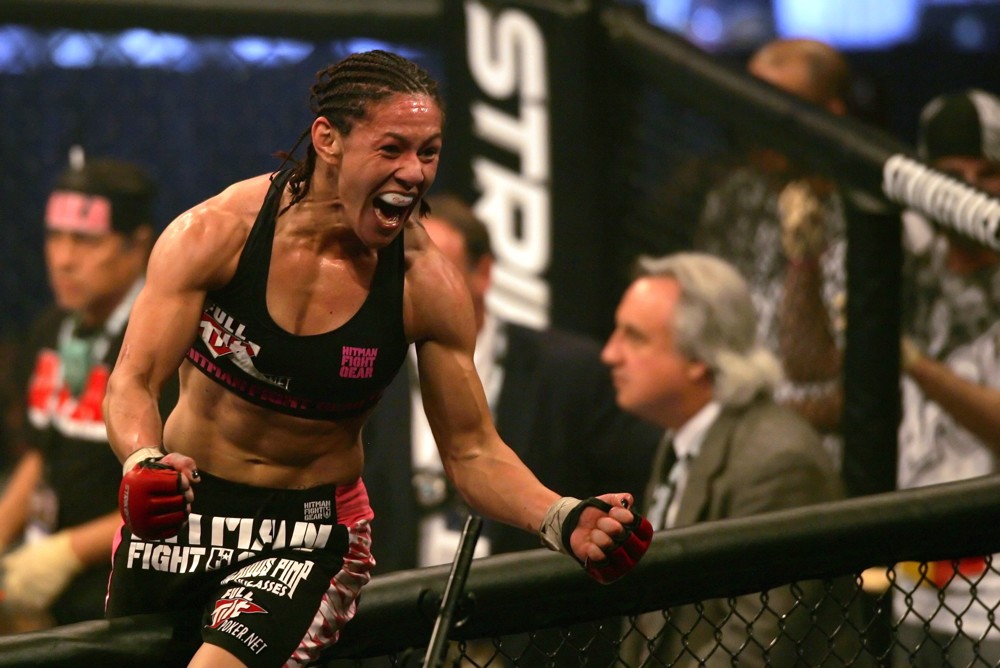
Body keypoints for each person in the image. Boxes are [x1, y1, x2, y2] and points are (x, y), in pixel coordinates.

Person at [101, 49, 651, 668]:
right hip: (185, 518)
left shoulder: (425, 285)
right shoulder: (215, 234)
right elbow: (132, 381)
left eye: (429, 152)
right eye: (392, 149)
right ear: (328, 140)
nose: (414, 172)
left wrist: (561, 517)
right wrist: (143, 462)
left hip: (306, 536)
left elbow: (472, 450)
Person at [363, 192, 660, 572]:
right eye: (402, 269)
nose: (418, 286)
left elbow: (647, 491)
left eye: (436, 268)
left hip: (526, 599)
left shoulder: (571, 374)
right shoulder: (365, 371)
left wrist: (573, 520)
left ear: (483, 273)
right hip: (398, 599)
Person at [605, 252, 843, 667]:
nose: (610, 354)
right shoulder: (682, 436)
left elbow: (757, 645)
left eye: (634, 337)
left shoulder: (779, 463)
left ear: (699, 358)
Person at [0, 153, 173, 632]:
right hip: (48, 577)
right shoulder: (50, 329)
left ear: (138, 245)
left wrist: (68, 552)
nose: (63, 259)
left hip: (126, 585)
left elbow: (190, 494)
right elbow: (40, 455)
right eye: (55, 237)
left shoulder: (170, 344)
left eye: (86, 240)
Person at [693, 38, 852, 466]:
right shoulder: (733, 200)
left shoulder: (875, 220)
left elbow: (877, 391)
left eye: (782, 111)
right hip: (724, 442)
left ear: (829, 112)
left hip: (827, 456)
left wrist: (757, 421)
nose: (763, 128)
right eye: (754, 109)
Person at [893, 88, 1000, 667]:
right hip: (913, 574)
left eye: (989, 174)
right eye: (953, 176)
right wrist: (805, 261)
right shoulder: (911, 265)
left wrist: (915, 365)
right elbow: (818, 372)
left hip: (993, 593)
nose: (972, 191)